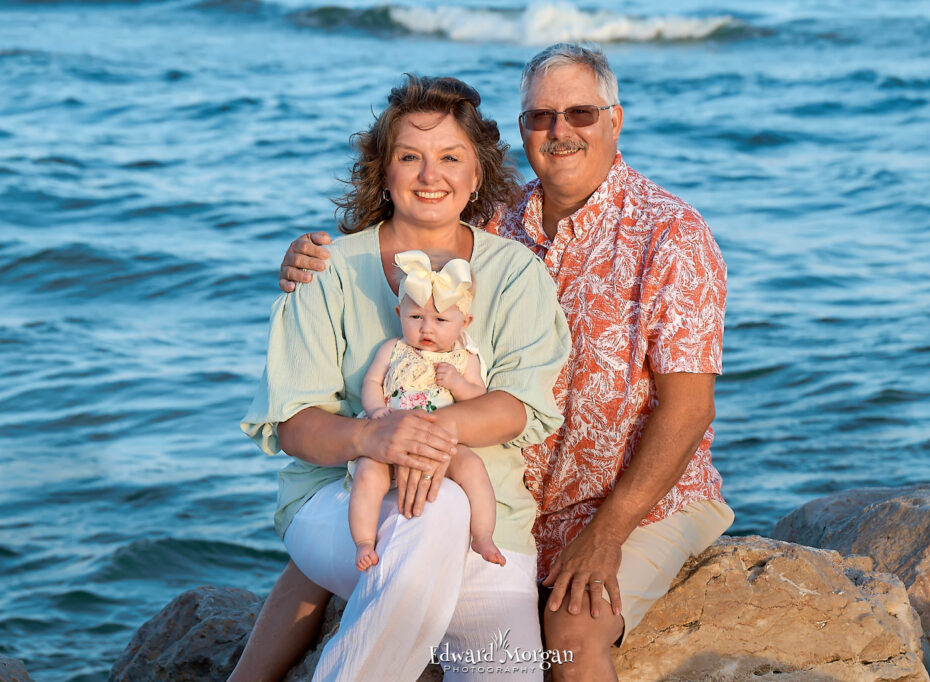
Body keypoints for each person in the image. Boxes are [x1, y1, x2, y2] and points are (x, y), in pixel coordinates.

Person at [276, 43, 735, 681]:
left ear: (615, 119)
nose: (559, 130)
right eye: (540, 116)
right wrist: (305, 259)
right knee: (369, 537)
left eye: (580, 112)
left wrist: (606, 534)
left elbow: (690, 410)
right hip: (502, 498)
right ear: (520, 130)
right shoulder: (493, 222)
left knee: (570, 638)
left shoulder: (671, 235)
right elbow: (404, 224)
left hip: (633, 503)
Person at [232, 74, 569, 681]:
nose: (429, 174)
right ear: (383, 172)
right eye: (409, 157)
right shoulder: (327, 269)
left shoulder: (517, 273)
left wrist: (427, 434)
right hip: (342, 509)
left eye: (450, 158)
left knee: (508, 670)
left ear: (477, 175)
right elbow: (292, 424)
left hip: (492, 529)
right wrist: (373, 439)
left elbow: (521, 407)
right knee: (435, 512)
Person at [354, 249, 506, 570]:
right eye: (415, 317)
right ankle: (364, 541)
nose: (427, 329)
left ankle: (482, 535)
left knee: (473, 468)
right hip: (390, 441)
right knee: (368, 474)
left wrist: (459, 384)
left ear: (465, 322)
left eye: (440, 320)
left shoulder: (465, 359)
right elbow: (371, 381)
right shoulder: (393, 349)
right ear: (399, 312)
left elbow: (479, 398)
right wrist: (375, 410)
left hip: (443, 447)